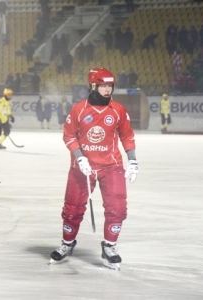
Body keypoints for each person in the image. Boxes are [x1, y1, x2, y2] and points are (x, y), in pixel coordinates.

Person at [50, 68, 139, 270]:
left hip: (111, 165)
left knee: (117, 208)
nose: (107, 90)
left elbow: (127, 136)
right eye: (103, 86)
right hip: (83, 167)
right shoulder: (79, 109)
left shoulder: (118, 110)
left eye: (110, 86)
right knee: (72, 209)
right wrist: (80, 158)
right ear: (93, 86)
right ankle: (67, 243)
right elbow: (69, 135)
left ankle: (109, 246)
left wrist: (132, 160)